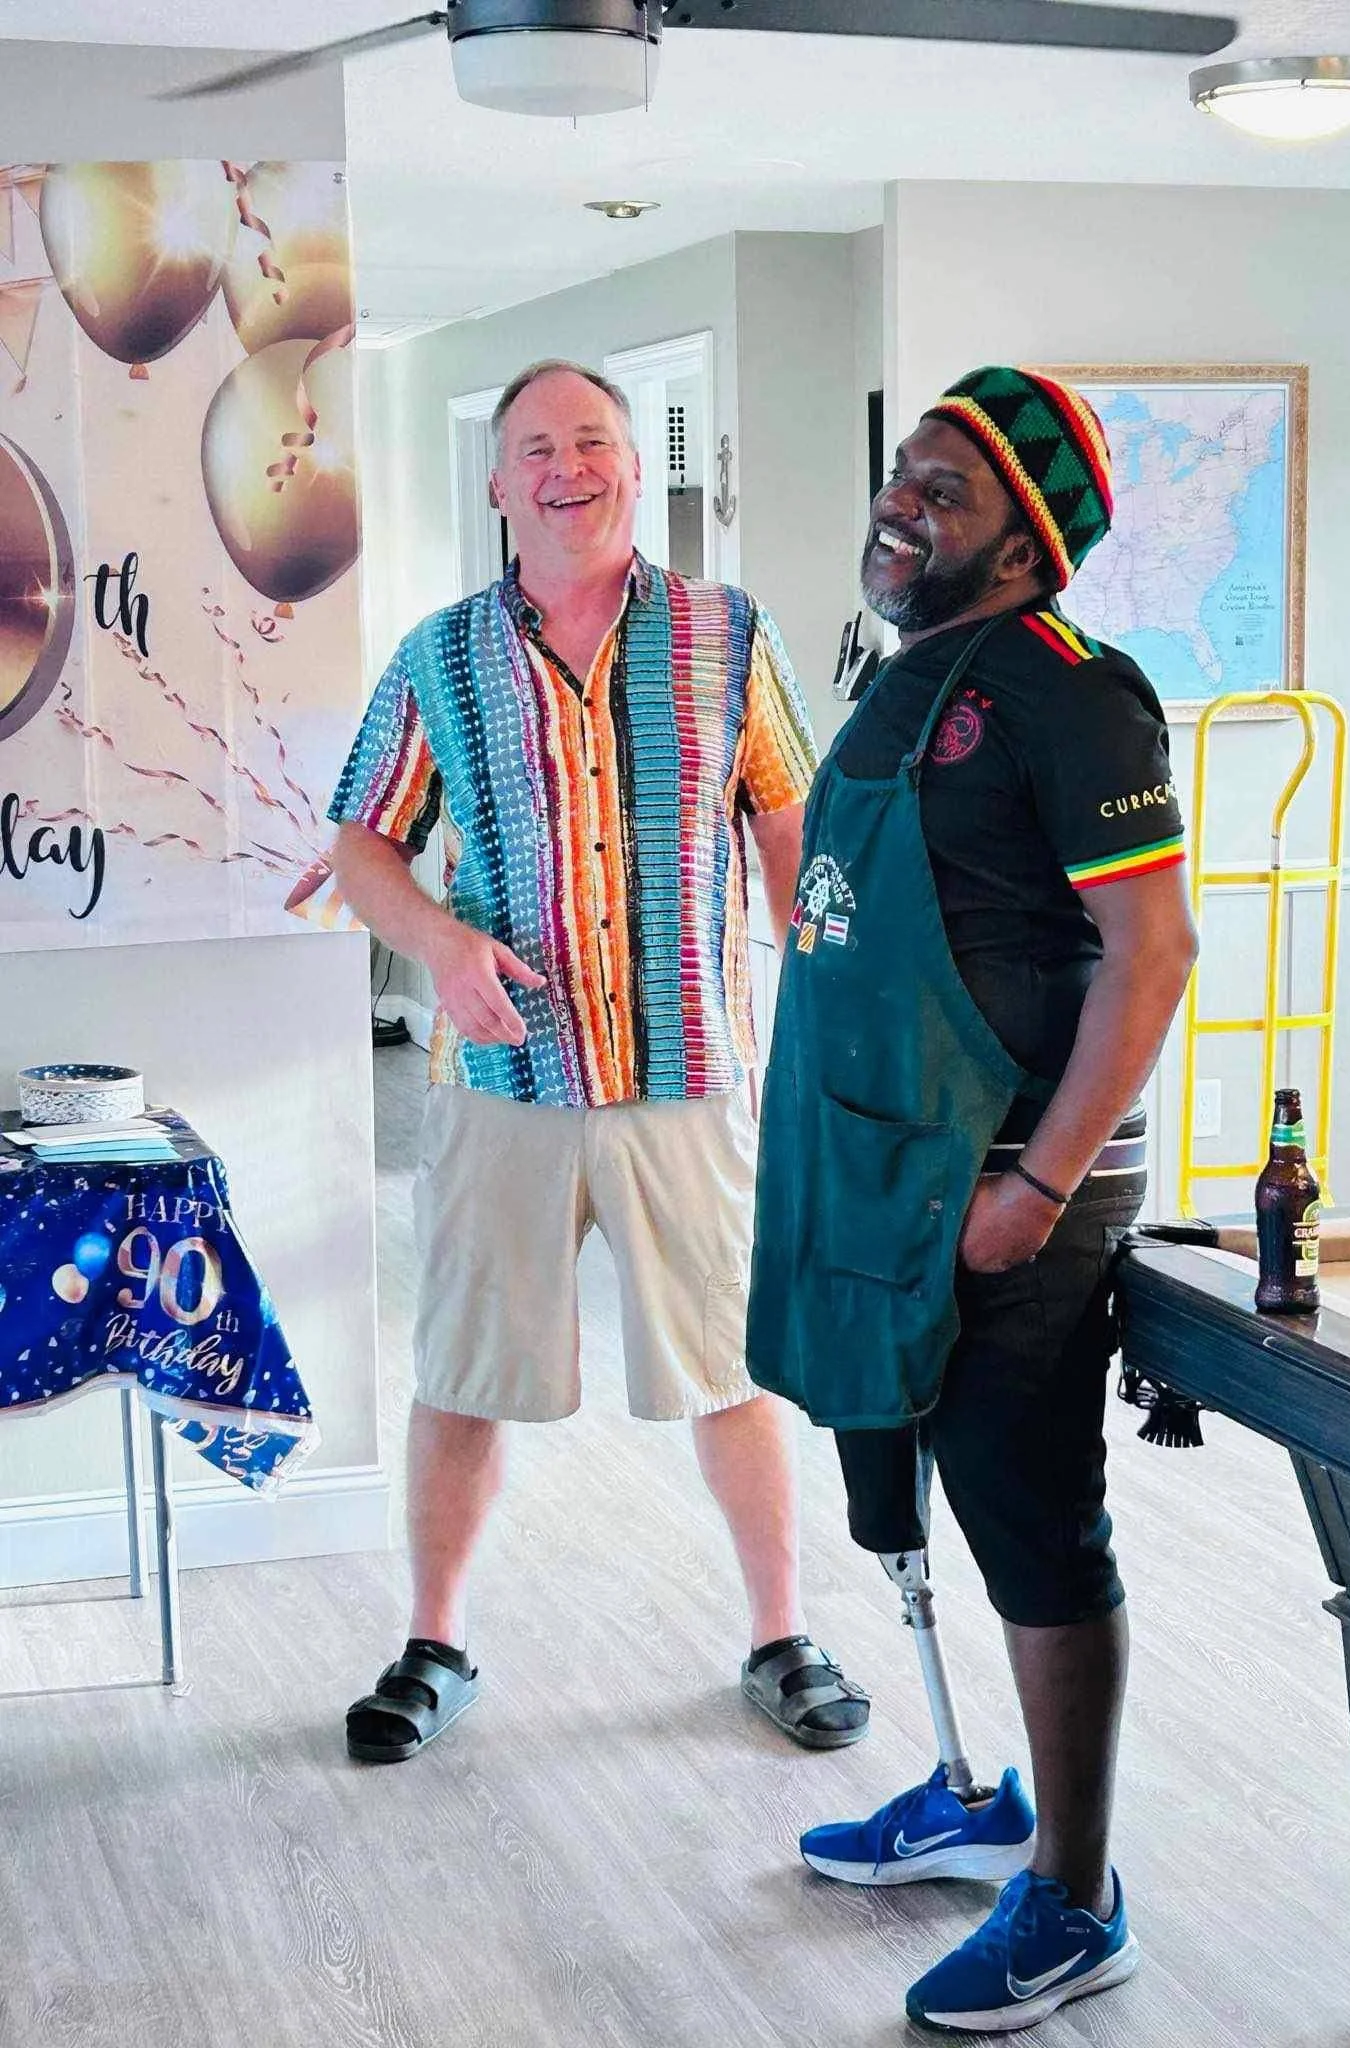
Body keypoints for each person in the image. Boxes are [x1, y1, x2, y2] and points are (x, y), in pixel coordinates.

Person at [324, 359, 869, 1764]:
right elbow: (361, 847)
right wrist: (440, 949)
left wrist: (822, 1020)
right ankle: (433, 1640)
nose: (568, 468)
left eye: (594, 443)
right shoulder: (439, 658)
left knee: (733, 1369)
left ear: (636, 467)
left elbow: (796, 834)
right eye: (536, 450)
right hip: (502, 1080)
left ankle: (781, 1635)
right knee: (458, 1370)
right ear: (498, 483)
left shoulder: (728, 634)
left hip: (688, 1066)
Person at [747, 366, 1198, 2032]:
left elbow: (1151, 963)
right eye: (905, 473)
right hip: (882, 1160)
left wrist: (1037, 1180)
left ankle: (1075, 1900)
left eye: (947, 488)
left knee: (1029, 1519)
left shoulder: (1077, 694)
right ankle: (968, 1793)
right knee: (898, 1466)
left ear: (1027, 544)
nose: (904, 502)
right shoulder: (899, 663)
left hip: (1009, 1182)